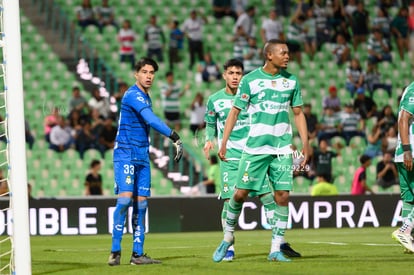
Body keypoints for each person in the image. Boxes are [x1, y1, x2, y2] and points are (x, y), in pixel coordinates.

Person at [213, 39, 309, 262]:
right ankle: (228, 236)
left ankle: (275, 249)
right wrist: (224, 142)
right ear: (270, 55)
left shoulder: (291, 81)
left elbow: (298, 113)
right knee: (239, 194)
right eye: (283, 53)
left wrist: (306, 143)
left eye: (288, 53)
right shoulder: (251, 80)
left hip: (282, 148)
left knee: (283, 195)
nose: (287, 56)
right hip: (255, 148)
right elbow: (234, 112)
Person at [108, 57, 183, 266]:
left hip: (142, 156)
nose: (149, 76)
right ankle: (115, 251)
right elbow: (150, 119)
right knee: (124, 200)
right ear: (136, 74)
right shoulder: (132, 94)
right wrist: (174, 136)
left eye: (151, 73)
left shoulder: (146, 96)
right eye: (145, 72)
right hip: (125, 153)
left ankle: (137, 255)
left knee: (142, 204)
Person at [391, 81, 414, 253]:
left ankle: (408, 241)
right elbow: (404, 118)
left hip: (403, 153)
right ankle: (405, 231)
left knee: (410, 199)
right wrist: (408, 151)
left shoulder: (409, 88)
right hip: (410, 152)